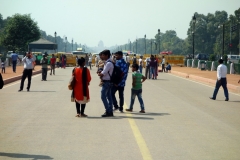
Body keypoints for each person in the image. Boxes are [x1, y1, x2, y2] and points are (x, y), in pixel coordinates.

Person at [98, 50, 114, 117]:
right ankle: (110, 111)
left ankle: (108, 110)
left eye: (103, 55)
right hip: (109, 81)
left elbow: (103, 73)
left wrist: (100, 73)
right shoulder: (108, 62)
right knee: (109, 97)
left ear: (107, 55)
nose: (102, 56)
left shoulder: (108, 63)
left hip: (107, 82)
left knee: (103, 96)